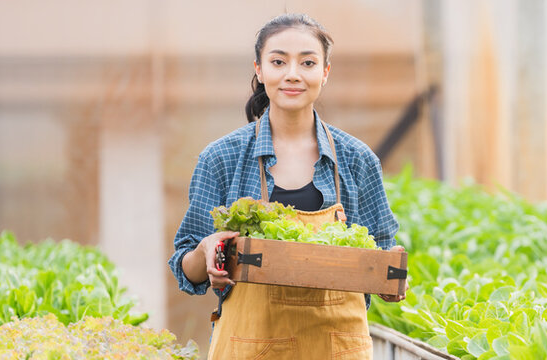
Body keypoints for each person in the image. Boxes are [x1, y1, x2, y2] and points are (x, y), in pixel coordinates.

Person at [167, 13, 405, 359]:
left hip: (337, 348)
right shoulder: (221, 158)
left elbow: (384, 256)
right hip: (249, 347)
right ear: (259, 70)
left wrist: (391, 280)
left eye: (307, 62)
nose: (292, 73)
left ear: (325, 72)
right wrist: (205, 253)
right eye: (278, 61)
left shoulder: (356, 159)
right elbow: (185, 266)